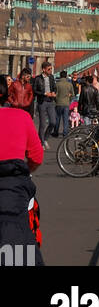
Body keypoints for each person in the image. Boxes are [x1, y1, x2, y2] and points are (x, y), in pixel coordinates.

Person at [0, 75, 44, 266]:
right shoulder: (21, 117)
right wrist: (26, 170)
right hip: (13, 189)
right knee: (16, 246)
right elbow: (37, 156)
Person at [33, 61, 57, 144]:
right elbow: (34, 90)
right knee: (42, 124)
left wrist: (54, 92)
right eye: (49, 69)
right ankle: (41, 141)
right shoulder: (38, 78)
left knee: (53, 122)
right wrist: (44, 93)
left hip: (50, 101)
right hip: (42, 101)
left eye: (51, 69)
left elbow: (54, 87)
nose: (50, 71)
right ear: (43, 69)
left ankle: (46, 137)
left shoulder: (51, 77)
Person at [54, 71, 73, 138]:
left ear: (60, 76)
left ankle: (55, 132)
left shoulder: (57, 84)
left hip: (58, 103)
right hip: (66, 103)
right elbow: (72, 94)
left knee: (57, 119)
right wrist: (69, 100)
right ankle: (65, 133)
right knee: (65, 119)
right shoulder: (69, 84)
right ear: (66, 76)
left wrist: (56, 100)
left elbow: (54, 94)